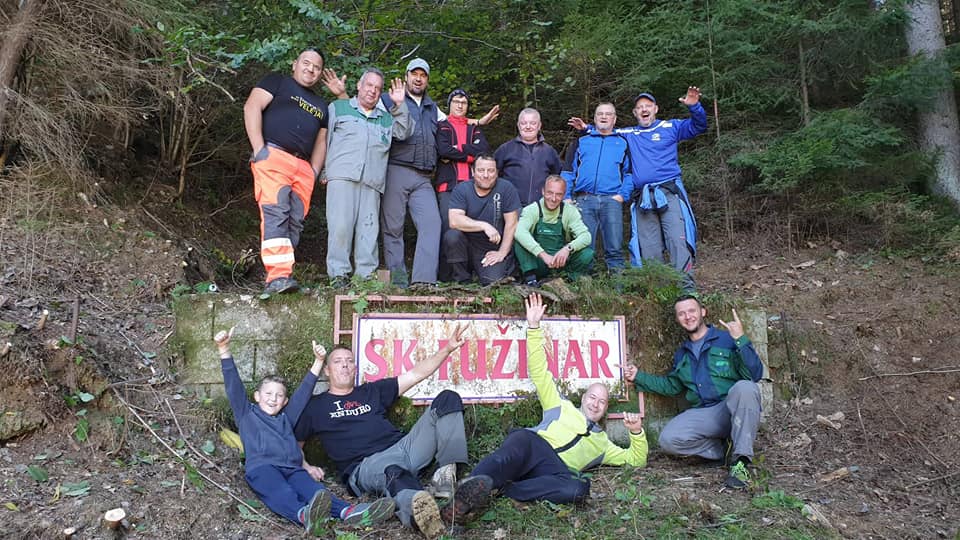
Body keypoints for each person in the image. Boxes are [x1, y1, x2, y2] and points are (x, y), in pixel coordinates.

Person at [441, 293, 648, 526]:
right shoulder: (560, 406)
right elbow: (540, 372)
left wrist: (637, 433)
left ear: (606, 409)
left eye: (602, 402)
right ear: (583, 398)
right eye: (592, 397)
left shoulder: (603, 445)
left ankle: (503, 490)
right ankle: (466, 496)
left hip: (553, 471)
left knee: (579, 488)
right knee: (514, 448)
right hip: (534, 446)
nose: (595, 404)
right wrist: (533, 327)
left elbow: (636, 459)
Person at [295, 324, 470, 539]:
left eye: (350, 361)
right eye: (338, 362)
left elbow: (416, 374)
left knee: (447, 399)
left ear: (355, 368)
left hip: (404, 447)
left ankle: (445, 476)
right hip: (367, 465)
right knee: (393, 471)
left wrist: (447, 349)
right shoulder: (316, 406)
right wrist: (306, 466)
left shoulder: (372, 391)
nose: (345, 366)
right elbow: (295, 443)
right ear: (327, 370)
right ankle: (420, 514)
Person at [214, 327, 395, 534]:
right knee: (280, 491)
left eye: (279, 395)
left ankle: (350, 512)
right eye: (268, 393)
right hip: (263, 468)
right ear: (257, 396)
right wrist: (224, 348)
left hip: (293, 468)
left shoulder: (286, 418)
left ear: (285, 401)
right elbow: (233, 385)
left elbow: (303, 393)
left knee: (317, 492)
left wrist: (319, 361)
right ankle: (304, 516)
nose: (273, 398)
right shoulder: (247, 415)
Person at [622, 296, 763, 489]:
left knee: (745, 387)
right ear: (678, 319)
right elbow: (672, 386)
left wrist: (741, 339)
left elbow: (755, 374)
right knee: (668, 439)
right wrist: (639, 377)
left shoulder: (727, 339)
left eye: (692, 311)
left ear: (702, 312)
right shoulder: (682, 353)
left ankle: (741, 463)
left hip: (734, 407)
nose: (688, 317)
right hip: (708, 414)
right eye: (682, 313)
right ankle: (722, 451)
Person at [243, 48, 330, 294]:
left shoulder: (321, 105)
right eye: (306, 63)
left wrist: (314, 170)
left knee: (294, 222)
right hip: (274, 156)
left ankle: (283, 276)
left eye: (316, 67)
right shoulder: (277, 82)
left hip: (303, 167)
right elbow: (252, 107)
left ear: (320, 73)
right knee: (276, 212)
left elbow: (322, 141)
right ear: (295, 64)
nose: (310, 69)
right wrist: (259, 149)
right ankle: (277, 277)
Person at [323, 68, 413, 285]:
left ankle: (365, 278)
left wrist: (400, 104)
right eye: (369, 85)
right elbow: (324, 139)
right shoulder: (339, 107)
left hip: (372, 182)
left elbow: (405, 131)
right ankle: (338, 275)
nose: (372, 91)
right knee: (340, 228)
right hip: (342, 177)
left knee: (369, 232)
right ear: (359, 86)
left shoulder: (385, 119)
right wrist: (324, 171)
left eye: (377, 88)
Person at [617, 88, 707, 290]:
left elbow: (699, 126)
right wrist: (584, 128)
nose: (644, 110)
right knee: (648, 247)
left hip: (670, 193)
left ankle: (686, 292)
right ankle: (659, 294)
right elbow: (603, 131)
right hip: (643, 198)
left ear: (656, 109)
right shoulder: (628, 134)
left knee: (678, 241)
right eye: (639, 107)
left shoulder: (670, 127)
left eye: (648, 106)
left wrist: (694, 106)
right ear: (634, 113)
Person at [562, 103, 632, 272]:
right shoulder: (581, 141)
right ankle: (584, 288)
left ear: (614, 119)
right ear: (594, 118)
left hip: (612, 200)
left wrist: (622, 195)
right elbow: (568, 171)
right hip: (583, 200)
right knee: (583, 247)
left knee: (615, 248)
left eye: (608, 114)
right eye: (600, 113)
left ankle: (617, 290)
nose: (604, 116)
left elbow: (629, 173)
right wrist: (566, 197)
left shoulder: (623, 143)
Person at [435, 89, 491, 281]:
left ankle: (470, 275)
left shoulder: (473, 128)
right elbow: (442, 150)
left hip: (472, 188)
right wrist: (468, 154)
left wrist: (456, 151)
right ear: (449, 104)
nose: (460, 105)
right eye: (456, 101)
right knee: (449, 230)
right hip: (448, 187)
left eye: (464, 102)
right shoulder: (442, 126)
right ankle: (445, 277)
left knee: (472, 229)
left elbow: (482, 150)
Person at [444, 154, 521, 285]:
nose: (486, 175)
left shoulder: (506, 188)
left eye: (491, 171)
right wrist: (484, 225)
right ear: (473, 172)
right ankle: (462, 279)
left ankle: (490, 271)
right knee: (452, 236)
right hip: (466, 246)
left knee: (492, 281)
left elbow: (512, 223)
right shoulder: (462, 189)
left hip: (492, 248)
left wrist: (502, 252)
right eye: (481, 170)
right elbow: (454, 220)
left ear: (497, 173)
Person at [513, 175, 594, 286]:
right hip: (538, 261)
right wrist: (543, 254)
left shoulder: (570, 211)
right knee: (519, 240)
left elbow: (586, 236)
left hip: (559, 261)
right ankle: (531, 280)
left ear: (564, 195)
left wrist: (568, 249)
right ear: (543, 191)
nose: (553, 198)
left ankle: (568, 280)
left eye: (558, 194)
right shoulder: (532, 209)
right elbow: (519, 232)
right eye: (550, 193)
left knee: (587, 253)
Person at [494, 108, 562, 206]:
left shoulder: (549, 151)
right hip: (510, 207)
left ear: (539, 126)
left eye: (533, 123)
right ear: (518, 125)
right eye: (523, 123)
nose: (528, 127)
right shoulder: (505, 149)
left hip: (540, 208)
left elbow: (556, 176)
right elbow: (494, 175)